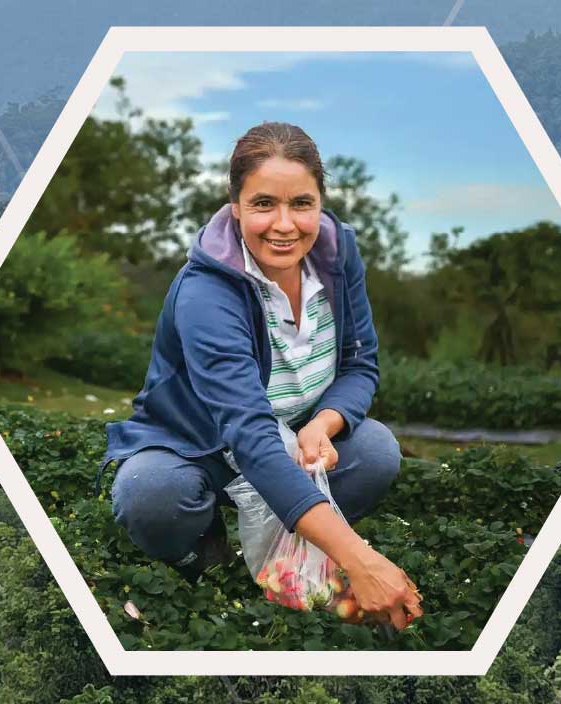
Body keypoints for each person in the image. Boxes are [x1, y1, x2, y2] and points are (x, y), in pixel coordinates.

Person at [96, 121, 423, 629]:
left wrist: (324, 424)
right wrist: (361, 561)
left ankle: (292, 539)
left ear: (320, 203)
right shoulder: (207, 291)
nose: (285, 224)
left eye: (302, 204)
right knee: (149, 495)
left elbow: (360, 364)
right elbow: (248, 434)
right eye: (264, 204)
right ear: (236, 207)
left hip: (292, 436)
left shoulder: (338, 257)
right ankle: (202, 548)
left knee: (376, 450)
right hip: (201, 444)